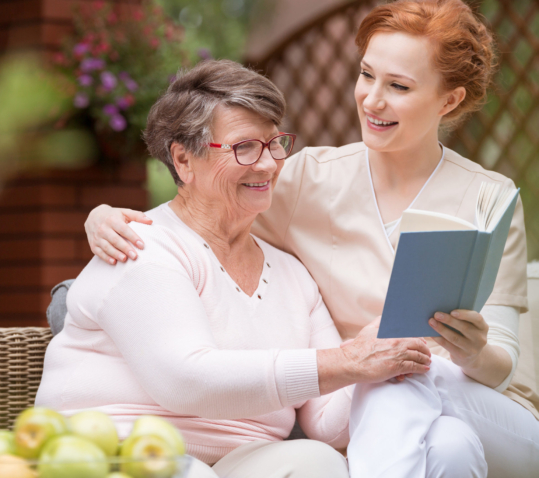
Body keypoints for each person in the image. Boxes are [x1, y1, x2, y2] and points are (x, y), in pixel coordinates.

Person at [83, 1, 539, 476]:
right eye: (367, 75)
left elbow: (504, 368)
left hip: (493, 411)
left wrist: (471, 352)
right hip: (370, 410)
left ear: (448, 101)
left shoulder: (489, 198)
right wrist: (102, 218)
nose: (372, 99)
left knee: (403, 373)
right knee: (447, 445)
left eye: (398, 86)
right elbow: (208, 219)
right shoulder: (305, 179)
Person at [35, 60, 433, 478]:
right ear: (184, 161)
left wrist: (384, 353)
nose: (268, 164)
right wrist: (348, 360)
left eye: (274, 142)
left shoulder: (293, 275)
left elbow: (328, 424)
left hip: (237, 462)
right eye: (244, 147)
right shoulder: (140, 245)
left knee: (321, 463)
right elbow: (187, 381)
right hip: (111, 452)